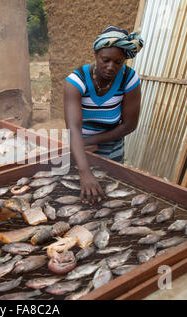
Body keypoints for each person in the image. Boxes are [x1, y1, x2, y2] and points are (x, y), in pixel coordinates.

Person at [63, 26, 144, 204]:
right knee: (79, 195)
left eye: (118, 62)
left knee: (109, 194)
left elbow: (129, 125)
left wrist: (91, 141)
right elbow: (73, 129)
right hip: (80, 147)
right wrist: (84, 171)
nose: (111, 67)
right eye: (105, 60)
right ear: (95, 54)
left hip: (111, 146)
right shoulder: (75, 82)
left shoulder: (129, 79)